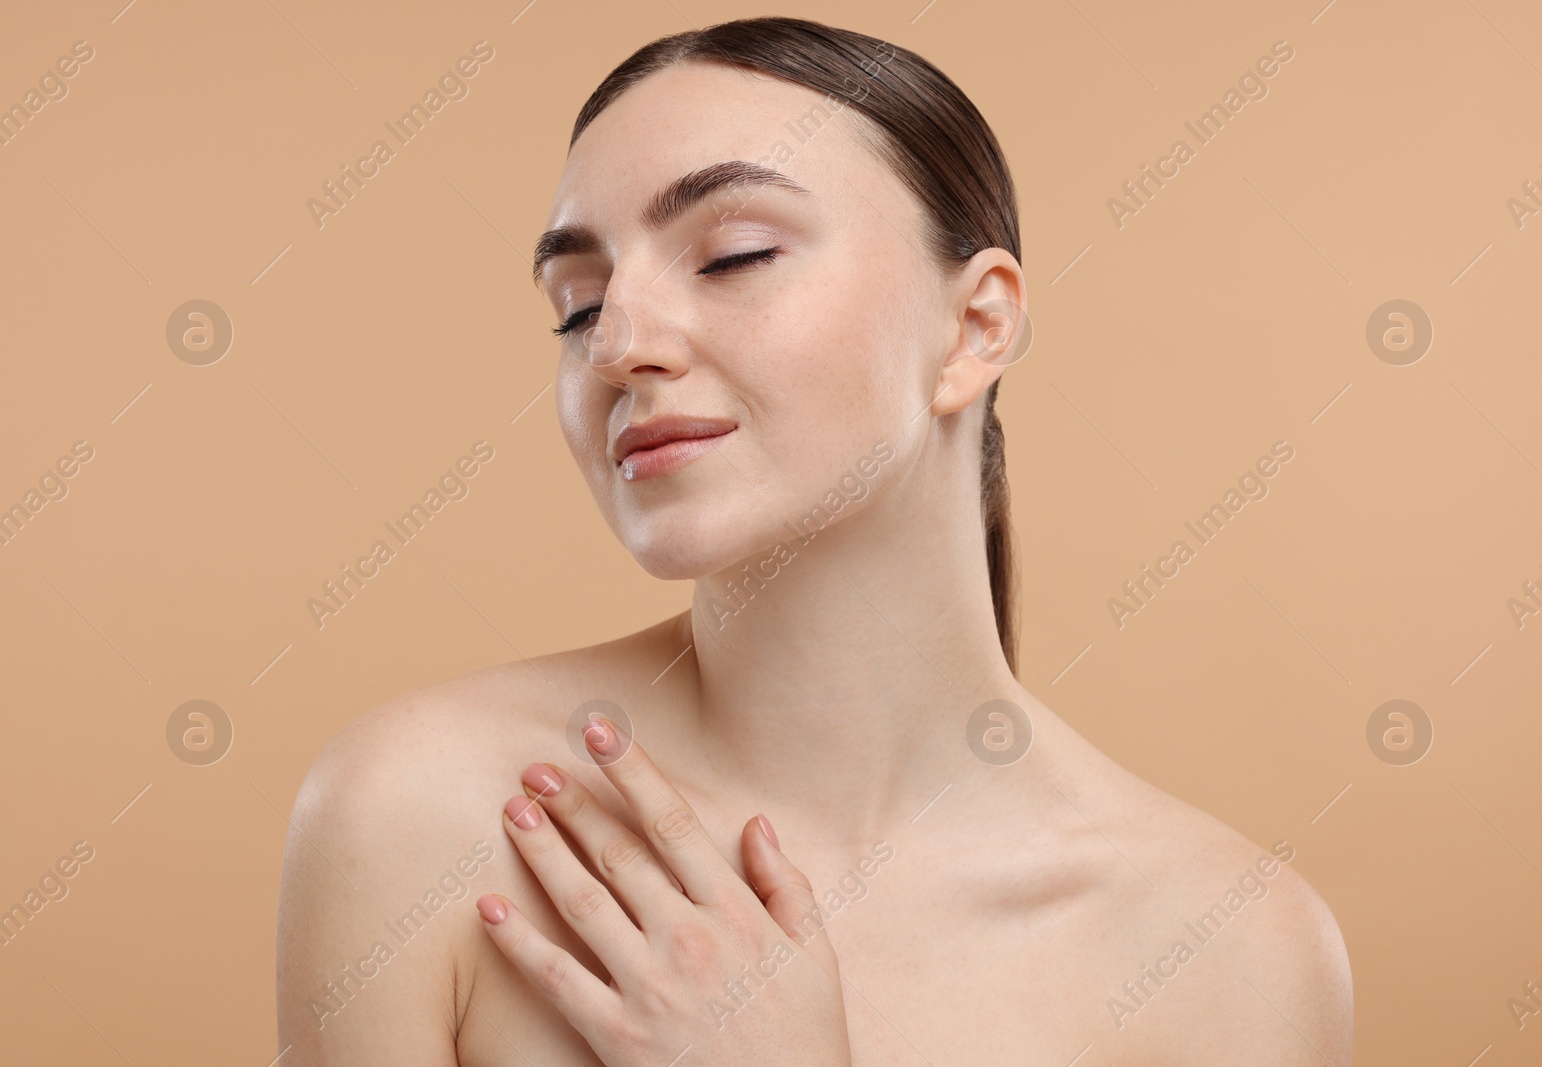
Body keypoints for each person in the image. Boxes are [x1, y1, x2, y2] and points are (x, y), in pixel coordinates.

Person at [275, 16, 1353, 1065]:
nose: (617, 344)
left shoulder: (1227, 949)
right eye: (578, 303)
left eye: (734, 254)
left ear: (976, 327)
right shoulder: (426, 816)